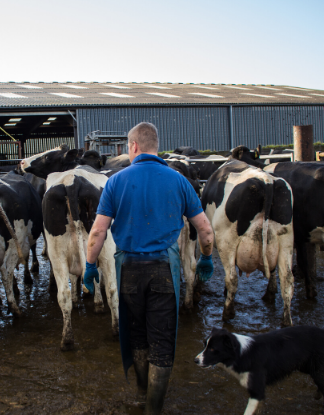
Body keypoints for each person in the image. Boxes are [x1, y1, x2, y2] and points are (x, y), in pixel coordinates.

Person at [84, 122, 214, 415]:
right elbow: (205, 230)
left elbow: (97, 233)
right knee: (163, 338)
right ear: (156, 145)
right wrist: (206, 257)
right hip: (164, 270)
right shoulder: (179, 180)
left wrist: (90, 266)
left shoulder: (116, 181)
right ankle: (154, 408)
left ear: (133, 147)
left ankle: (142, 394)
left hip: (129, 268)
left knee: (137, 334)